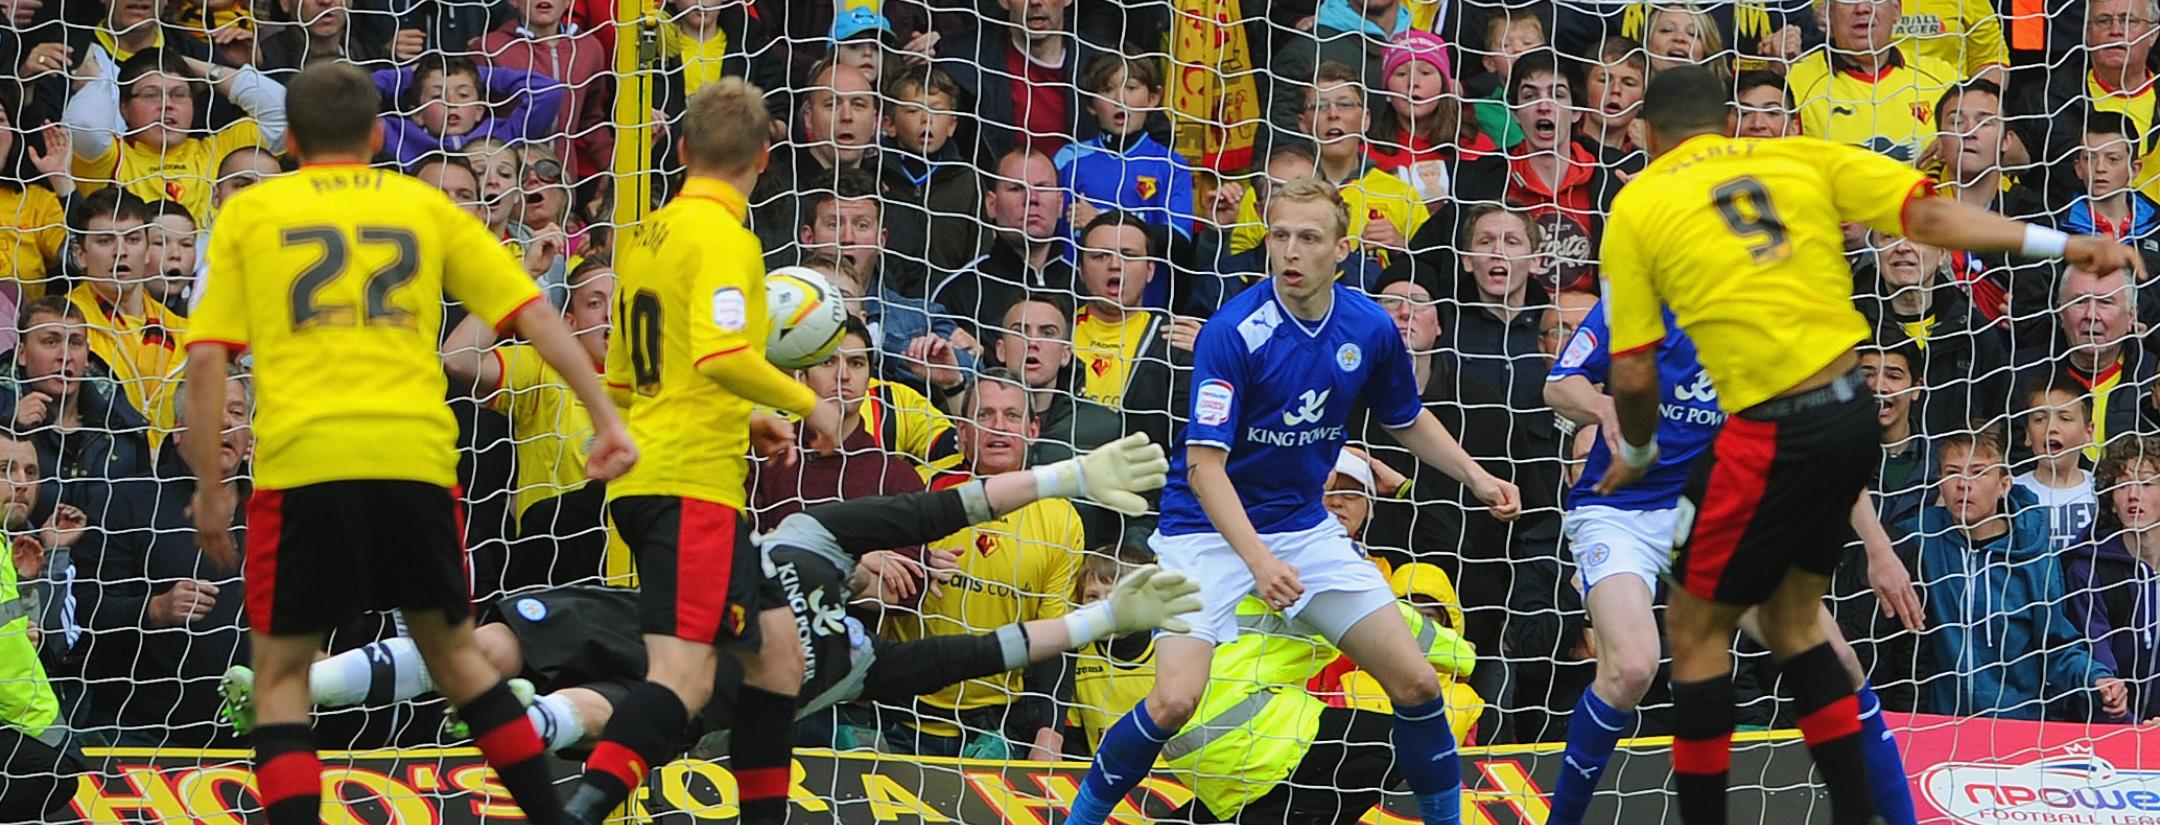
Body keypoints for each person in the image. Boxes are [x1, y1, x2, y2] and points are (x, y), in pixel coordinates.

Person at [1592, 66, 2141, 825]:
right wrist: (2064, 243)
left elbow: (1631, 365)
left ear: (1645, 134)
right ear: (1725, 123)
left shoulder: (1639, 201)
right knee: (1791, 623)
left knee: (1691, 628)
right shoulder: (1802, 157)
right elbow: (1935, 220)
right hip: (1853, 414)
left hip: (1768, 427)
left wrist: (1644, 453)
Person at [183, 62, 637, 825]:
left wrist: (209, 487)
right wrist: (607, 414)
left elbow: (205, 357)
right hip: (415, 461)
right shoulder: (423, 207)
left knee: (281, 673)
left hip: (304, 464)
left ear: (290, 138)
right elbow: (533, 312)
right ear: (378, 135)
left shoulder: (253, 216)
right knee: (456, 656)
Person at [222, 437, 1192, 754]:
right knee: (598, 693)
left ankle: (312, 687)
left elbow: (982, 648)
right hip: (670, 664)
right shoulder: (825, 556)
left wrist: (1107, 611)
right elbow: (948, 509)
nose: (895, 571)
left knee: (521, 652)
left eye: (900, 578)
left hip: (664, 636)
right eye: (889, 563)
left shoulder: (850, 631)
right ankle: (514, 719)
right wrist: (1068, 478)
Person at [1062, 177, 1523, 825]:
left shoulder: (1367, 324)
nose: (1291, 251)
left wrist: (1477, 477)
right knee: (1173, 700)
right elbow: (1202, 468)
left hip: (1301, 527)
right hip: (1205, 532)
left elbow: (1404, 416)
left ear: (1342, 248)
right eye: (1280, 235)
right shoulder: (1234, 332)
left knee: (1417, 684)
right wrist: (1256, 561)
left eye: (1309, 237)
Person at [553, 75, 837, 825]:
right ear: (766, 156)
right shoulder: (728, 239)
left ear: (680, 149)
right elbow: (718, 354)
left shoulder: (641, 236)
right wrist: (808, 401)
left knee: (779, 657)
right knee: (683, 678)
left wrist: (744, 421)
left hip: (660, 472)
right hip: (689, 488)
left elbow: (628, 375)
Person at [1543, 300, 1923, 825]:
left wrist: (1880, 550)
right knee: (1631, 667)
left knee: (1836, 663)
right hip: (1619, 510)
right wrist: (1607, 408)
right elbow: (1558, 385)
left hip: (1716, 513)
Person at [884, 370, 1087, 759]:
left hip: (993, 727)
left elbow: (1058, 638)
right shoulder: (916, 490)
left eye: (1012, 416)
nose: (998, 427)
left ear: (1032, 428)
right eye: (985, 415)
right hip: (897, 716)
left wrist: (1050, 733)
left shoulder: (1060, 517)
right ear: (961, 430)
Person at [1900, 427, 2129, 720]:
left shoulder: (2033, 552)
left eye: (1979, 472)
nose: (1963, 484)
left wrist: (2096, 678)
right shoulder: (1917, 537)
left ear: (2004, 483)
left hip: (2018, 725)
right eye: (1952, 472)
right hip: (1940, 725)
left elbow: (2056, 645)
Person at [70, 367, 247, 746]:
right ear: (179, 430)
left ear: (249, 438)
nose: (224, 421)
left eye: (236, 412)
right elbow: (84, 610)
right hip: (141, 739)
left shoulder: (275, 514)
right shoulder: (129, 501)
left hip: (250, 743)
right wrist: (155, 610)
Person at [441, 256, 624, 588]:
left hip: (634, 552)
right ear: (568, 322)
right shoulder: (542, 369)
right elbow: (457, 357)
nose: (609, 314)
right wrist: (521, 277)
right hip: (557, 559)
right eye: (595, 303)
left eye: (617, 301)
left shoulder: (654, 379)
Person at [62, 47, 286, 222]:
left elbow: (283, 113)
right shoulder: (111, 157)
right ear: (124, 108)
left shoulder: (221, 151)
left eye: (179, 94)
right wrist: (100, 81)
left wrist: (193, 66)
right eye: (151, 95)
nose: (167, 105)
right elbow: (84, 123)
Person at [64, 187, 189, 446]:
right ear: (80, 254)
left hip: (172, 475)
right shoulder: (64, 325)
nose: (120, 252)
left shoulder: (185, 331)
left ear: (147, 252)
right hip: (95, 475)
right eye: (105, 240)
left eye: (132, 239)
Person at [0, 432, 81, 821]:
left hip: (23, 722)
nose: (21, 482)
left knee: (59, 775)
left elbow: (59, 644)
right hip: (27, 725)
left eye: (30, 470)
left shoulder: (15, 550)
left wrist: (39, 574)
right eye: (5, 469)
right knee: (58, 775)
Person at [1784, 0, 1960, 161]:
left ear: (1896, 11)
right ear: (1829, 13)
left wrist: (1958, 142)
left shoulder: (1942, 77)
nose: (1862, 8)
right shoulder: (1795, 82)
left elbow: (1983, 128)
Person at [1057, 53, 1198, 251]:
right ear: (1091, 104)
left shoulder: (1171, 165)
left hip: (1148, 282)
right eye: (1107, 90)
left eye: (1131, 88)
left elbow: (1179, 239)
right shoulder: (1068, 159)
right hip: (1077, 280)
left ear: (1153, 97)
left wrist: (1100, 221)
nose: (1120, 99)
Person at [931, 147, 1075, 338]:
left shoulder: (1085, 287)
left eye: (1042, 187)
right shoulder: (958, 293)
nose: (1032, 199)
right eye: (1016, 189)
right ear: (991, 205)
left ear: (1060, 203)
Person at [2064, 435, 2160, 722]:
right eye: (2122, 484)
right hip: (2111, 734)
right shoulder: (2088, 569)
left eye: (2145, 483)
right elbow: (2096, 658)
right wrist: (2127, 719)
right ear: (2111, 500)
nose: (2133, 494)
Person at [371, 54, 565, 169]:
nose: (452, 103)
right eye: (437, 96)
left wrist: (478, 75)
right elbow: (353, 98)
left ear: (479, 111)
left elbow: (548, 91)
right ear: (418, 114)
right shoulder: (394, 133)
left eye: (463, 94)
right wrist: (408, 76)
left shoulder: (503, 135)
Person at [2015, 380, 2100, 549]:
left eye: (2065, 418)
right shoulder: (2012, 491)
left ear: (2088, 432)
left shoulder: (2101, 491)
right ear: (2027, 434)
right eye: (2039, 419)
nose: (2051, 428)